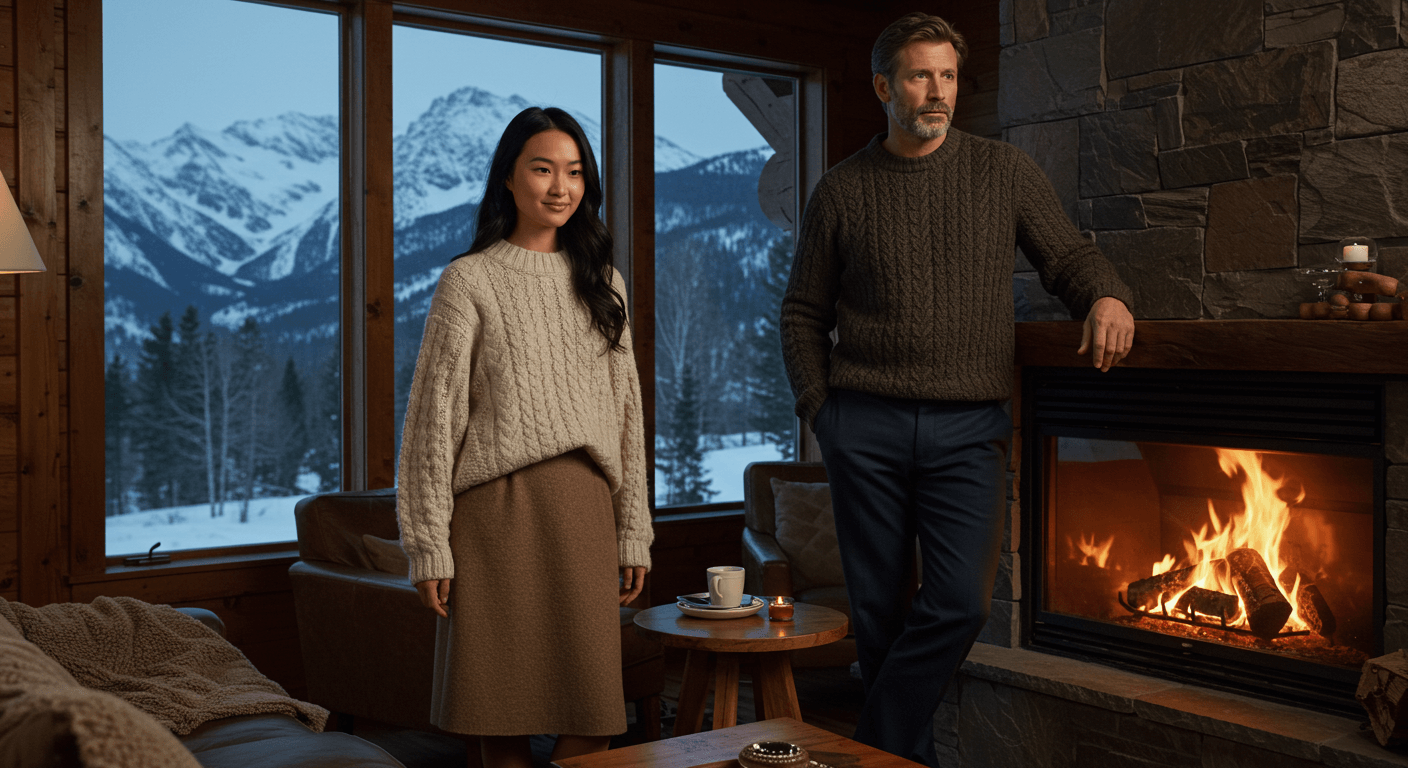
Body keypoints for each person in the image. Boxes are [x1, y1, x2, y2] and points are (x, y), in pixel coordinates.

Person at [780, 12, 1135, 768]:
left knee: (958, 605)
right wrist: (822, 409)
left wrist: (1105, 296)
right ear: (885, 86)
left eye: (946, 75)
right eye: (918, 75)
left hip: (970, 430)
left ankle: (866, 753)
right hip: (864, 425)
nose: (936, 91)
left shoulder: (1003, 172)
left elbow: (1067, 255)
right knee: (877, 617)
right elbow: (803, 312)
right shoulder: (841, 191)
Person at [396, 106, 653, 768]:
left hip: (585, 512)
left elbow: (627, 415)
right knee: (499, 713)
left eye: (573, 172)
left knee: (591, 713)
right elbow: (432, 423)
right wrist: (429, 546)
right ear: (508, 179)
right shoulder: (470, 279)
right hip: (496, 517)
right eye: (542, 169)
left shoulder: (604, 283)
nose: (560, 187)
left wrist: (633, 530)